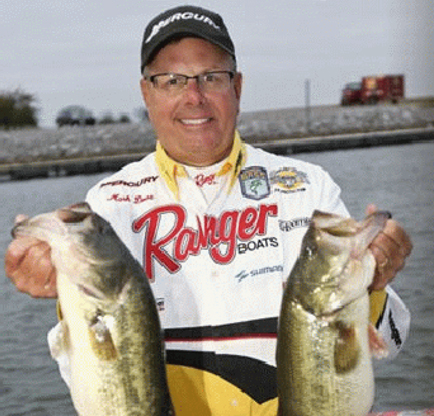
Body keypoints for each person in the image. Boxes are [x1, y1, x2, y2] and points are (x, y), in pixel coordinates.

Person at [5, 5, 413, 416]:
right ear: (147, 94)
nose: (194, 97)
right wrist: (62, 291)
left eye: (211, 77)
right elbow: (91, 379)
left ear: (238, 87)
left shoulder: (307, 187)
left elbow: (391, 343)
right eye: (171, 80)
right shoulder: (108, 207)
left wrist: (373, 282)